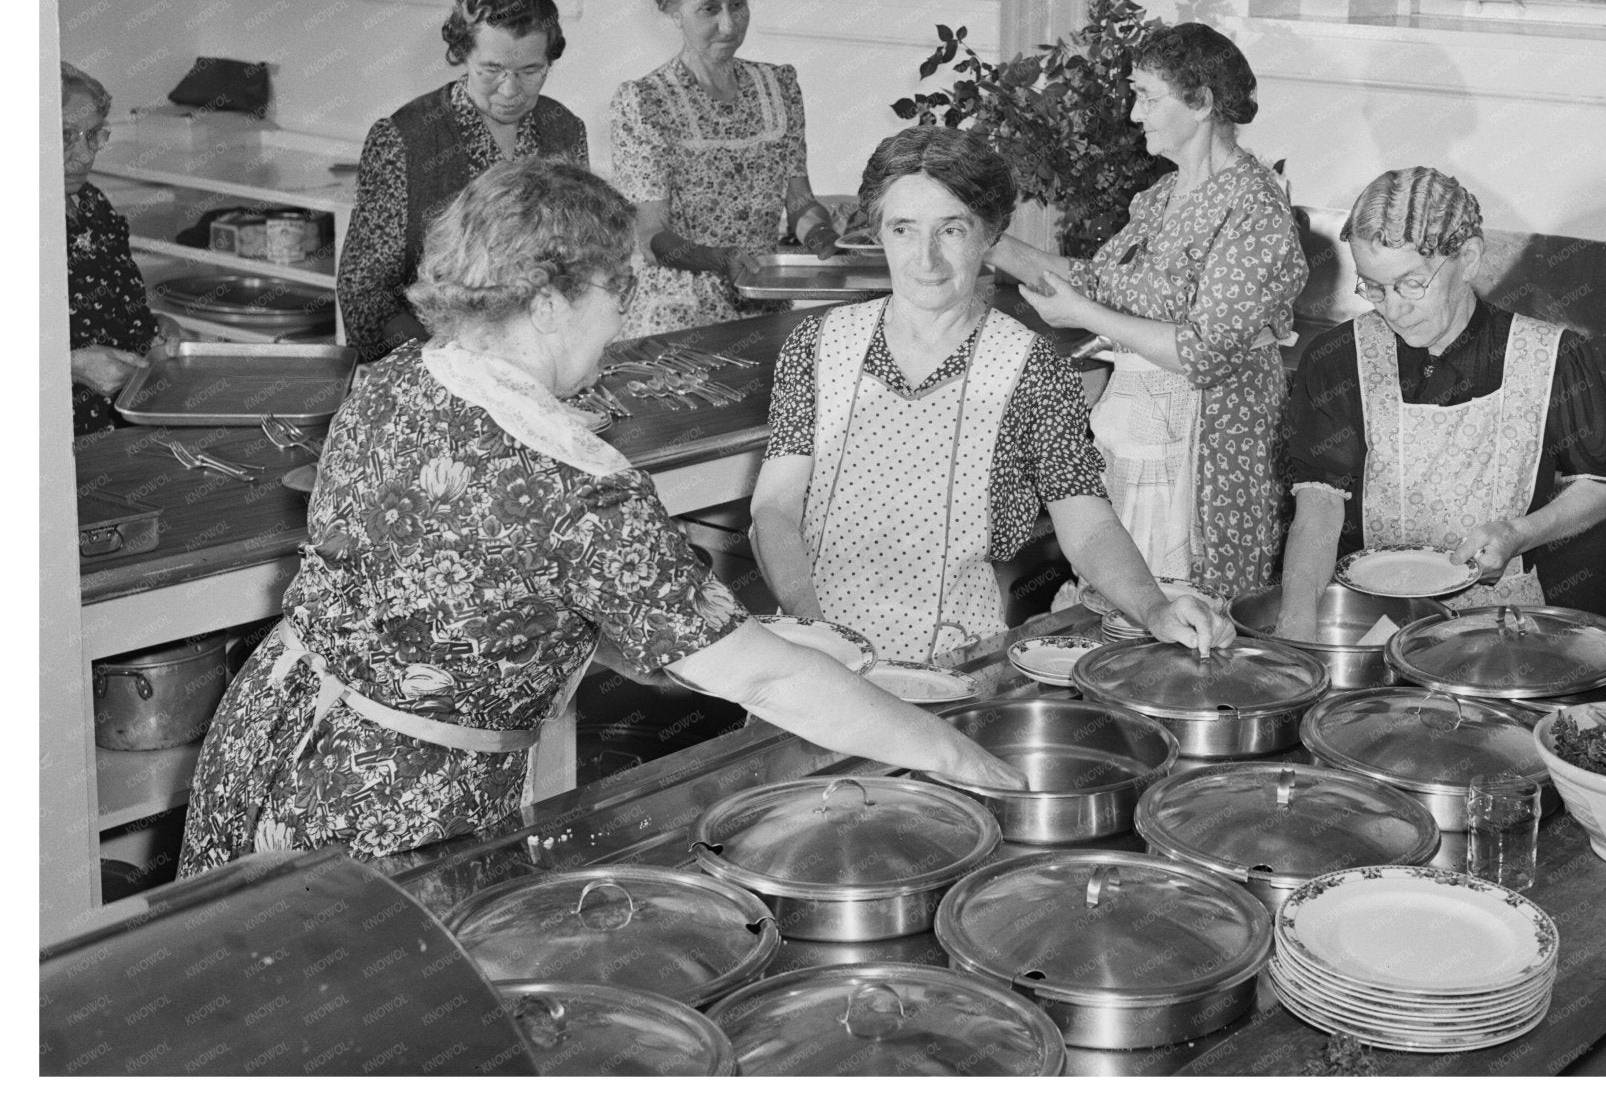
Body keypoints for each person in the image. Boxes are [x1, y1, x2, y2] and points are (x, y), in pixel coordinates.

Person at [178, 159, 1020, 876]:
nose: (622, 320)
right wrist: (957, 756)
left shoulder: (405, 373)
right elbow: (759, 680)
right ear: (550, 302)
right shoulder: (576, 485)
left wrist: (766, 636)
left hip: (271, 732)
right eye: (618, 290)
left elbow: (520, 603)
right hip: (394, 804)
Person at [750, 126, 1234, 665]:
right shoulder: (816, 346)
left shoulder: (1030, 368)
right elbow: (773, 510)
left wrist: (1153, 608)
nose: (926, 259)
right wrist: (816, 633)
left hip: (951, 661)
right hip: (811, 653)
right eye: (904, 229)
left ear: (989, 236)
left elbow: (1086, 521)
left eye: (951, 230)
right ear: (877, 233)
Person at [987, 24, 1307, 601]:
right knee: (1125, 602)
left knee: (1196, 613)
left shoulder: (1254, 206)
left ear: (1202, 102)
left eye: (1147, 97)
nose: (1135, 115)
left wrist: (1084, 313)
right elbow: (1095, 282)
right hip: (1144, 429)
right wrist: (984, 236)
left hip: (1212, 446)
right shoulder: (1162, 196)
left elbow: (1205, 353)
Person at [1274, 167, 1606, 639]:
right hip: (1372, 623)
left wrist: (1520, 535)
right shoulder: (1338, 359)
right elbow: (1319, 504)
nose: (1392, 309)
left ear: (1468, 258)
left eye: (1410, 284)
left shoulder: (1552, 357)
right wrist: (1296, 626)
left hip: (1499, 627)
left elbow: (1600, 485)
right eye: (1374, 288)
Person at [337, 0, 587, 363]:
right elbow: (365, 293)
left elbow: (578, 261)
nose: (509, 90)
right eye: (492, 70)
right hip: (436, 362)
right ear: (463, 54)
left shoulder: (565, 130)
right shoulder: (404, 139)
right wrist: (445, 361)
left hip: (538, 359)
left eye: (530, 70)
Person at [609, 0, 837, 337]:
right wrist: (719, 258)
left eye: (738, 4)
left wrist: (829, 241)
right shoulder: (645, 101)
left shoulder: (778, 87)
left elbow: (799, 201)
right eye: (709, 9)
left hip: (765, 302)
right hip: (678, 315)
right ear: (673, 12)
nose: (729, 25)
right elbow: (650, 237)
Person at [62, 62, 175, 436]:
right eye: (64, 136)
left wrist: (153, 326)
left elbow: (111, 298)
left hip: (124, 415)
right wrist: (72, 366)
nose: (84, 156)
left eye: (93, 135)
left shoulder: (92, 202)